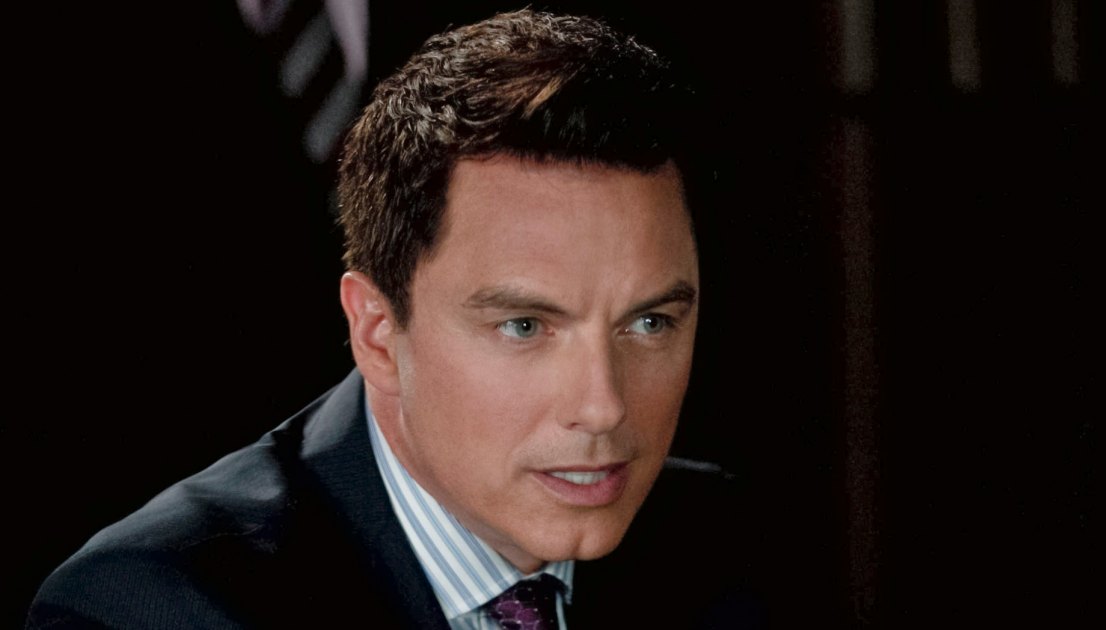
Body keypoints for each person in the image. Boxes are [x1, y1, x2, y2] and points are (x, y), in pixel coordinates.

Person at [29, 9, 774, 629]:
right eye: (524, 326)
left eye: (649, 323)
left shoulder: (731, 547)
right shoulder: (149, 609)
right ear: (377, 333)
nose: (604, 406)